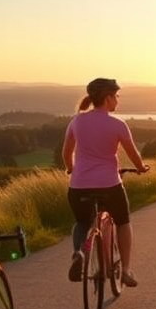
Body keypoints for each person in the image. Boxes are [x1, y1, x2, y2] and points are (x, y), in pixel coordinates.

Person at [63, 77, 149, 287]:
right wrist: (141, 168)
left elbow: (67, 153)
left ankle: (78, 254)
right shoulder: (117, 124)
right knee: (123, 222)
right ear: (108, 98)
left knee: (82, 222)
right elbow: (133, 154)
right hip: (109, 185)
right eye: (116, 96)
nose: (117, 100)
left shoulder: (77, 121)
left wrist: (71, 169)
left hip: (79, 185)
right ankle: (126, 270)